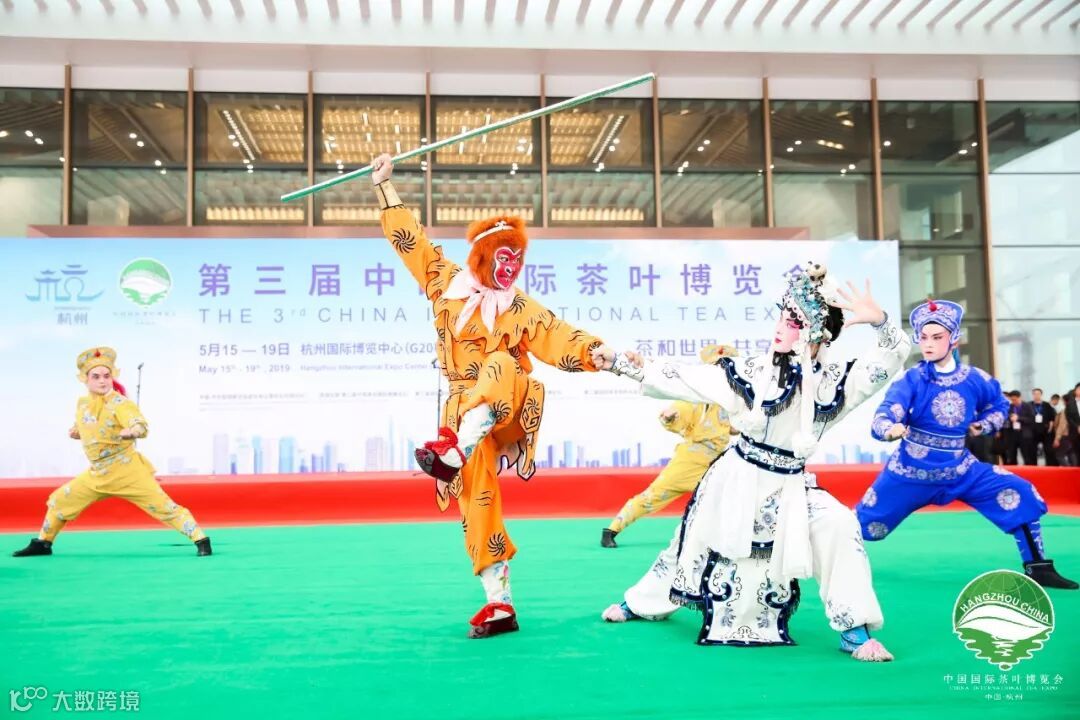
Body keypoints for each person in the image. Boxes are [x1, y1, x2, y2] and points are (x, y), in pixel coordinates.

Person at [594, 264, 909, 661]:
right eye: (781, 316)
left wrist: (880, 321)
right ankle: (641, 602)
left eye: (792, 321)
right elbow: (687, 378)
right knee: (690, 546)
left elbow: (890, 357)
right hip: (737, 478)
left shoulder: (836, 383)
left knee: (839, 524)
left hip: (793, 485)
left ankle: (854, 629)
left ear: (816, 334)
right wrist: (620, 363)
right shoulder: (752, 372)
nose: (780, 327)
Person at [370, 153, 615, 638]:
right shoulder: (445, 283)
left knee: (500, 362)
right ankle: (499, 604)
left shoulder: (519, 307)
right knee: (476, 502)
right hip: (461, 414)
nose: (512, 268)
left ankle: (454, 452)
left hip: (510, 406)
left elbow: (558, 335)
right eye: (504, 258)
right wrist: (384, 187)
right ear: (482, 258)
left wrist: (595, 351)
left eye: (518, 260)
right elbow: (410, 241)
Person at [856, 300, 1076, 590]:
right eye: (924, 337)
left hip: (961, 469)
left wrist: (983, 425)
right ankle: (828, 560)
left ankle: (1038, 567)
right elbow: (886, 412)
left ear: (954, 339)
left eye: (937, 337)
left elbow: (999, 405)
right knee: (864, 524)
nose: (928, 344)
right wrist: (890, 428)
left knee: (1018, 492)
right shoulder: (912, 379)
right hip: (910, 471)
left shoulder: (975, 379)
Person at [12, 347, 211, 558]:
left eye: (106, 376)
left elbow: (140, 424)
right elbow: (88, 426)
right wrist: (77, 432)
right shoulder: (83, 404)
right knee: (61, 500)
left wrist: (133, 431)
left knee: (164, 507)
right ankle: (43, 543)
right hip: (97, 474)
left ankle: (201, 539)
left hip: (128, 472)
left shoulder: (120, 403)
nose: (102, 381)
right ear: (85, 379)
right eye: (96, 377)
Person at [601, 344, 738, 548]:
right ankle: (611, 530)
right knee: (654, 495)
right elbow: (679, 410)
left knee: (728, 497)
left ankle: (725, 539)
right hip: (690, 461)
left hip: (717, 461)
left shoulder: (729, 398)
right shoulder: (696, 396)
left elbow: (732, 428)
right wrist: (670, 416)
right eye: (718, 367)